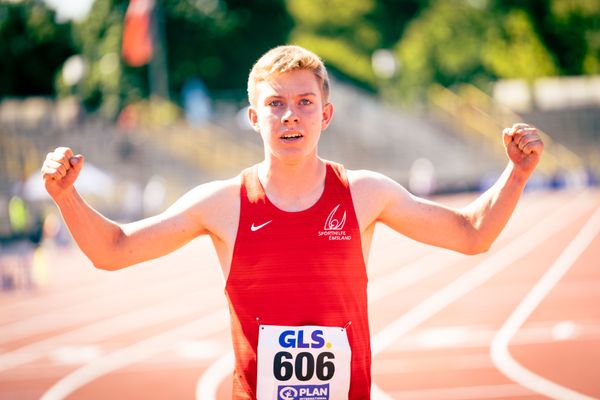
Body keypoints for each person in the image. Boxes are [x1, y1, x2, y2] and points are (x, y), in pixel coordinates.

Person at [42, 45, 544, 399]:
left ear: (325, 115)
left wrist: (517, 174)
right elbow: (112, 249)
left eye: (304, 103)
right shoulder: (222, 204)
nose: (290, 117)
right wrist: (66, 196)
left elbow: (473, 233)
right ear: (253, 118)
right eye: (275, 104)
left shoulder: (364, 194)